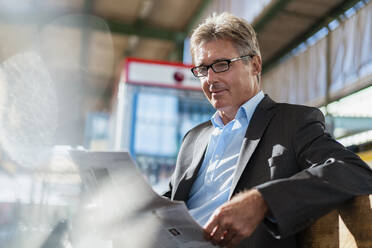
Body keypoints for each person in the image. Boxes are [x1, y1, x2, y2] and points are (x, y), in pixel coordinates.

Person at [163, 12, 372, 248]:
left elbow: (354, 170)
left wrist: (263, 200)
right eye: (202, 69)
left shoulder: (293, 122)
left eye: (222, 65)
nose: (210, 78)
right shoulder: (194, 138)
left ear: (255, 65)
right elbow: (169, 203)